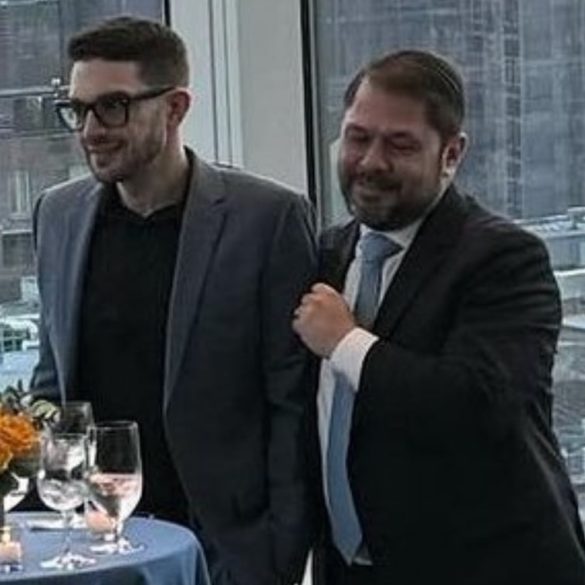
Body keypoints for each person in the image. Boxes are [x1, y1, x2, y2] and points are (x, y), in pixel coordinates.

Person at [31, 16, 316, 585]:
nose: (91, 130)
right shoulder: (57, 213)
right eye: (78, 110)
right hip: (89, 547)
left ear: (176, 107)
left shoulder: (268, 218)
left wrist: (281, 550)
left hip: (224, 549)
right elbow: (51, 380)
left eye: (112, 107)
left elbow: (293, 402)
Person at [293, 49, 585, 585]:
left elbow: (477, 405)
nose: (371, 162)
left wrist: (345, 343)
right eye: (358, 138)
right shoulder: (327, 255)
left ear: (451, 154)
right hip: (350, 569)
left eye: (399, 144)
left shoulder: (504, 259)